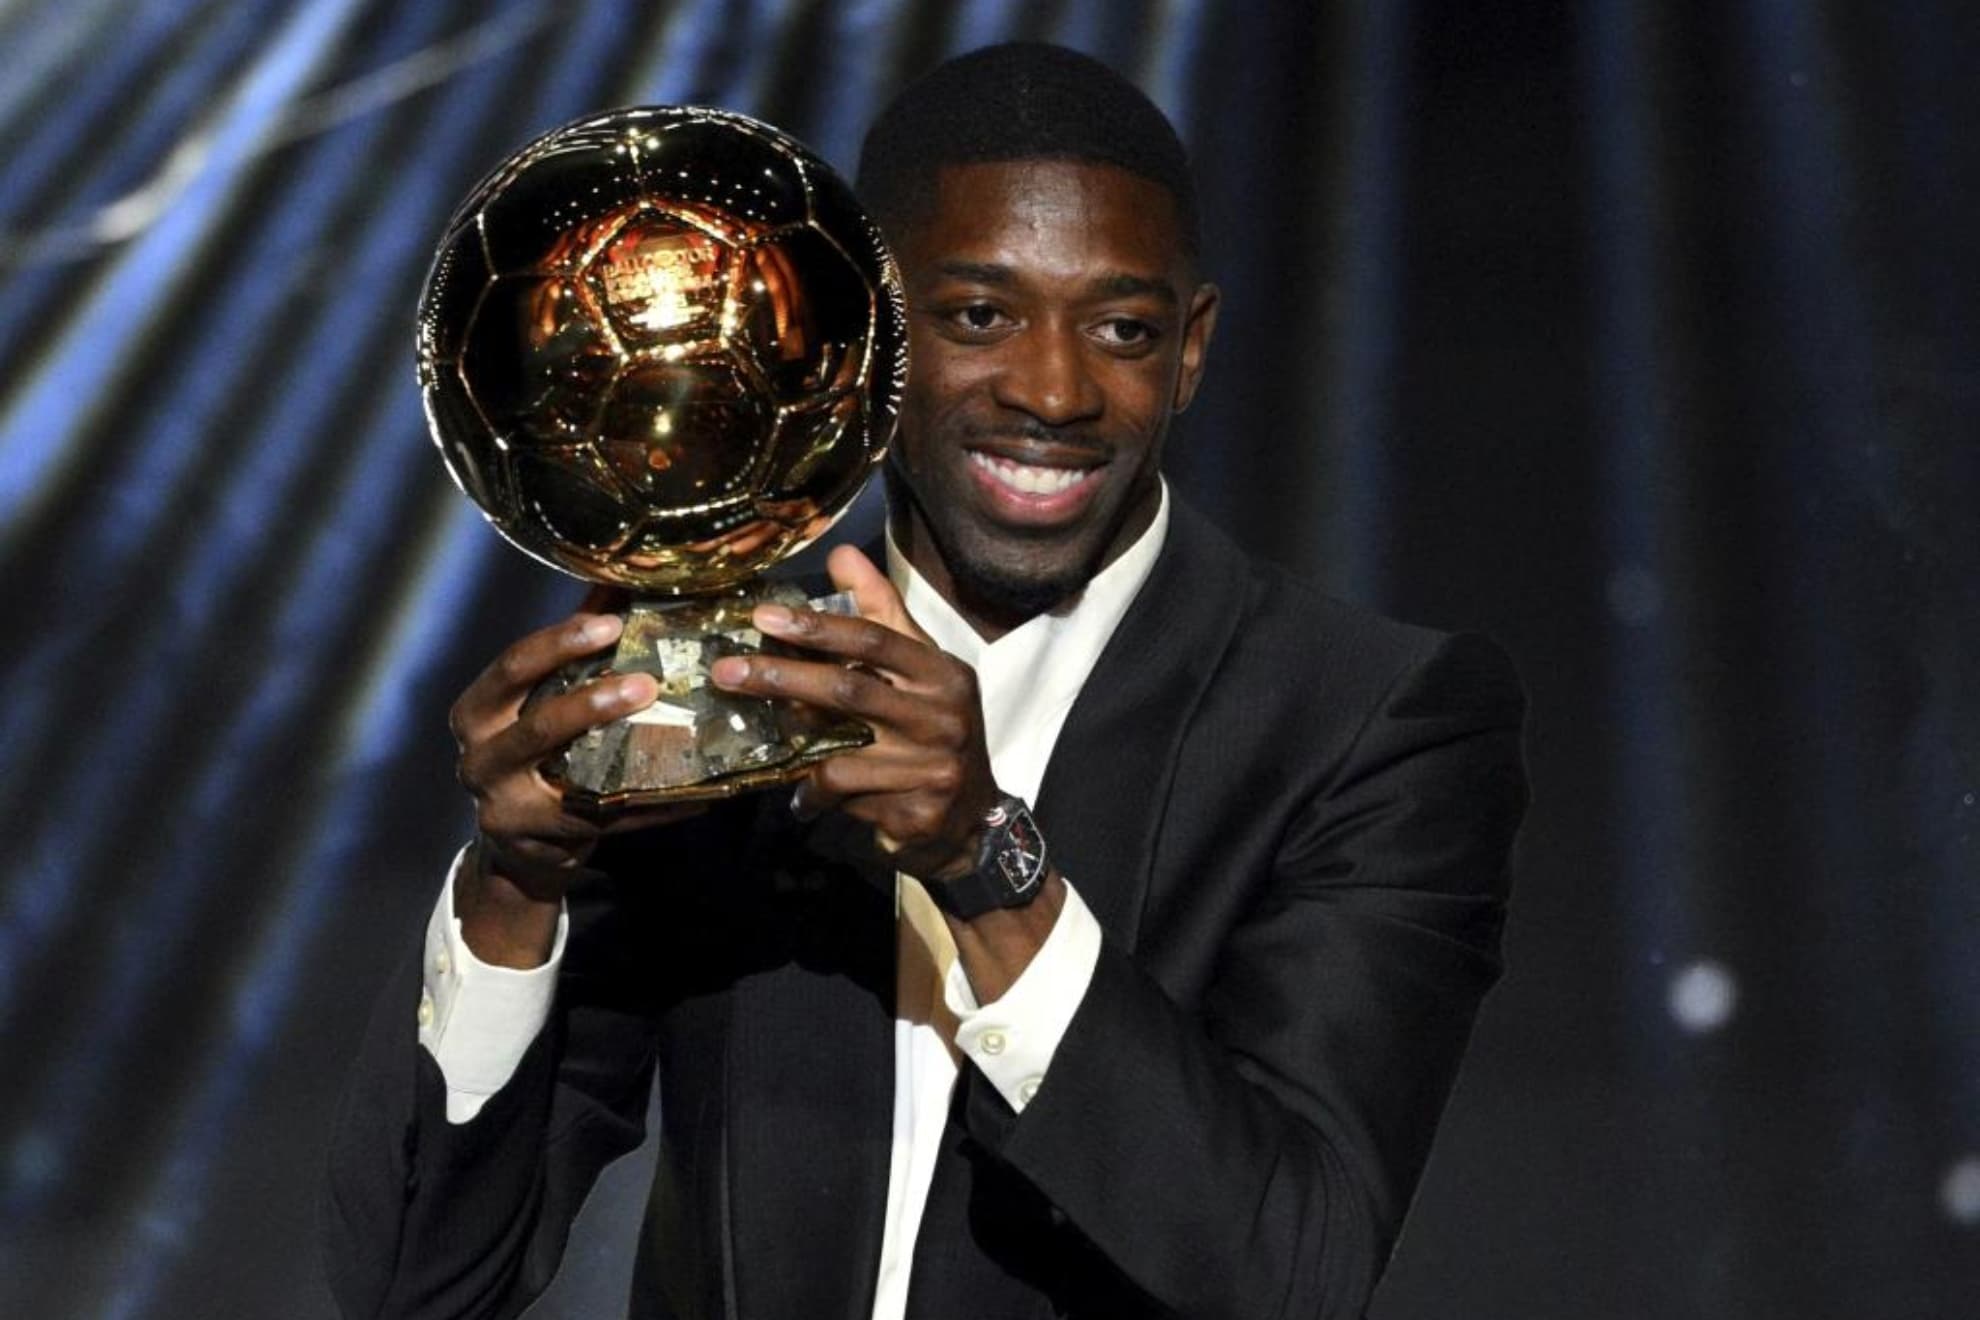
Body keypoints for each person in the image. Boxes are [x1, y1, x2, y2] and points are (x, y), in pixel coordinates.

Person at [324, 41, 1527, 1320]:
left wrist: (987, 864)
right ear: (876, 335)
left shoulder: (1370, 721)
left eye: (1122, 329)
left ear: (1191, 348)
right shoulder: (726, 692)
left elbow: (1295, 1273)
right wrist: (515, 888)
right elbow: (420, 1287)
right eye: (979, 317)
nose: (1054, 390)